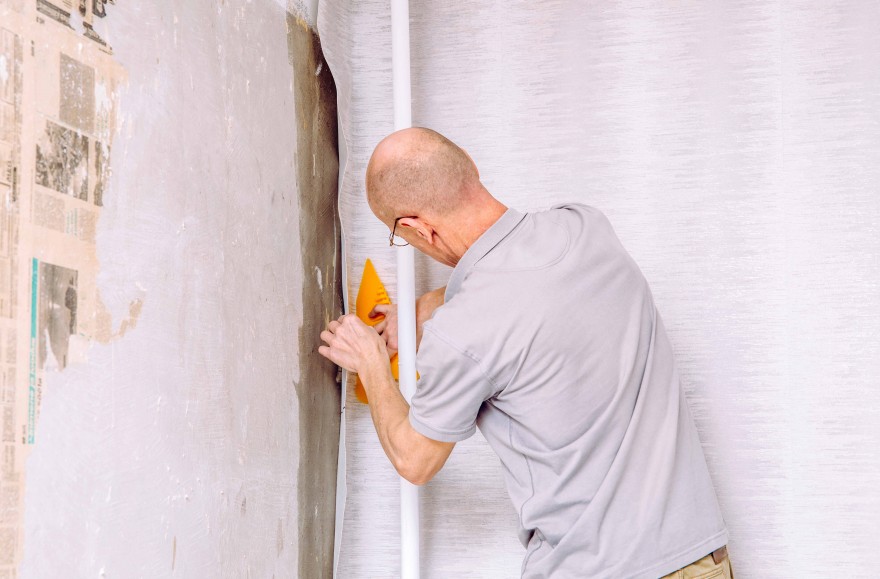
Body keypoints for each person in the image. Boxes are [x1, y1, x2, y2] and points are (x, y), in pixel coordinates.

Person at [318, 127, 734, 578]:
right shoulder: (583, 225)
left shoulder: (462, 333)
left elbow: (415, 460)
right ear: (470, 164)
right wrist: (423, 310)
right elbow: (520, 282)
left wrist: (371, 363)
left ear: (417, 228)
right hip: (702, 558)